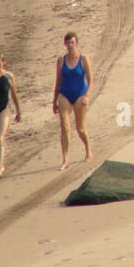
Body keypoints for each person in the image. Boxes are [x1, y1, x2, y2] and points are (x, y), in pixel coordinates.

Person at [52, 31, 93, 170]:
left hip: (80, 96)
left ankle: (88, 149)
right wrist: (54, 101)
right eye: (68, 43)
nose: (70, 45)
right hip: (64, 95)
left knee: (79, 128)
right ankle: (65, 160)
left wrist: (87, 96)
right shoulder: (61, 60)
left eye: (72, 42)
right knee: (65, 128)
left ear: (76, 44)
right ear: (65, 44)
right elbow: (58, 82)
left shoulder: (83, 59)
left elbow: (91, 80)